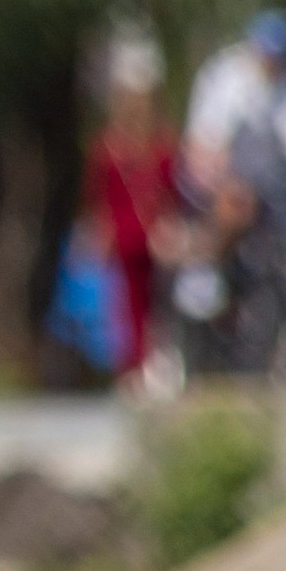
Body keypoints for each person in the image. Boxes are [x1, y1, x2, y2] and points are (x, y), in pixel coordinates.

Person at [181, 9, 286, 369]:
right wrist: (227, 183)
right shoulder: (225, 75)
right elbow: (207, 145)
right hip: (222, 179)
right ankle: (205, 272)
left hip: (272, 189)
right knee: (235, 206)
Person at [78, 39, 183, 380]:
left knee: (162, 299)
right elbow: (99, 196)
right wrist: (100, 230)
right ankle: (134, 365)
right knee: (129, 302)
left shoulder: (163, 144)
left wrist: (171, 224)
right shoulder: (109, 146)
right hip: (126, 232)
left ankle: (162, 360)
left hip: (156, 232)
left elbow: (172, 191)